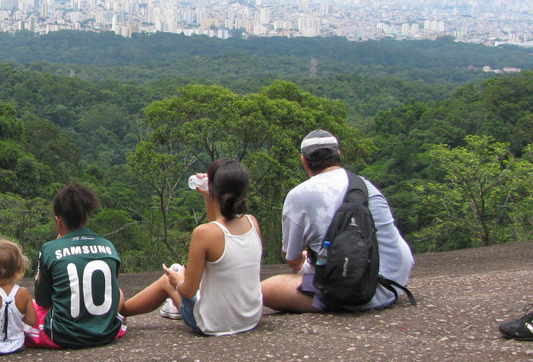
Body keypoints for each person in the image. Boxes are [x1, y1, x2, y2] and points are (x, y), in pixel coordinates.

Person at [261, 130, 413, 313]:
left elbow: (291, 258)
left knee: (263, 290)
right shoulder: (365, 186)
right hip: (395, 281)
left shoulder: (299, 195)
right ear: (338, 155)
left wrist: (303, 259)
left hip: (360, 291)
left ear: (305, 161)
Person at [122, 159, 263, 335]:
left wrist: (177, 280)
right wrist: (208, 197)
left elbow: (188, 292)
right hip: (250, 319)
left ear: (214, 189)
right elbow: (219, 235)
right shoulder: (252, 222)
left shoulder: (202, 233)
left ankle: (121, 312)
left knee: (169, 278)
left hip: (212, 323)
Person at [25, 182, 126, 349]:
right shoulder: (108, 246)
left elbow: (43, 300)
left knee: (26, 303)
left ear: (58, 221)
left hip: (62, 335)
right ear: (86, 216)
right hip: (107, 332)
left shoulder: (50, 249)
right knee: (119, 292)